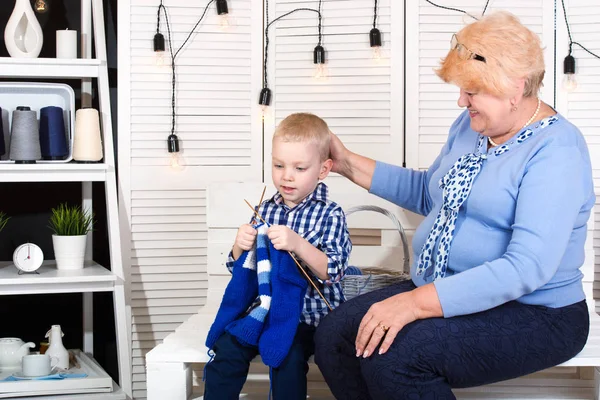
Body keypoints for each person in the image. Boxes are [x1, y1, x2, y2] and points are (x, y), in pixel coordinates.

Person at [314, 11, 595, 399]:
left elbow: (526, 268)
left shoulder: (556, 151)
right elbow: (431, 195)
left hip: (538, 314)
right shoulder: (471, 126)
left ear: (515, 86)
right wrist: (345, 162)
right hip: (446, 287)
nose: (462, 99)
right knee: (335, 337)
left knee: (396, 358)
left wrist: (414, 303)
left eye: (472, 90)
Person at [203, 112, 352, 400]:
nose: (286, 175)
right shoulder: (266, 209)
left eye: (299, 167)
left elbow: (333, 270)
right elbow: (241, 268)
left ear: (323, 170)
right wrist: (240, 244)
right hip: (263, 310)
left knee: (287, 357)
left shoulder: (330, 214)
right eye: (279, 165)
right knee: (228, 348)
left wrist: (297, 244)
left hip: (306, 317)